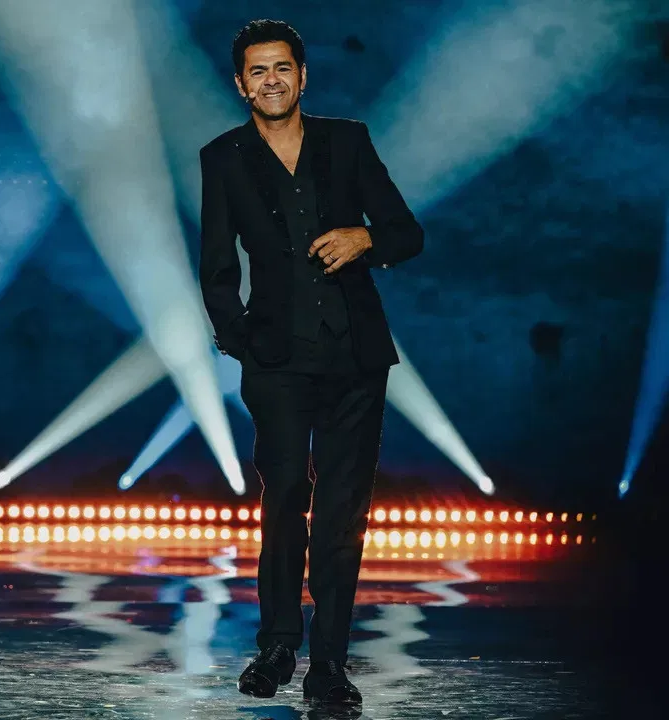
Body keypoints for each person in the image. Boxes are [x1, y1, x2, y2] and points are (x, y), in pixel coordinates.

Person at [198, 18, 423, 708]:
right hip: (277, 360)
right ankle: (277, 645)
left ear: (302, 75)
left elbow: (406, 232)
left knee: (342, 516)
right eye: (257, 71)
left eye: (282, 67)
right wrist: (241, 340)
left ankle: (328, 664)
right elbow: (216, 266)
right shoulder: (224, 157)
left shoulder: (346, 141)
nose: (271, 80)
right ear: (242, 86)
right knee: (285, 498)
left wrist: (364, 238)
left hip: (355, 356)